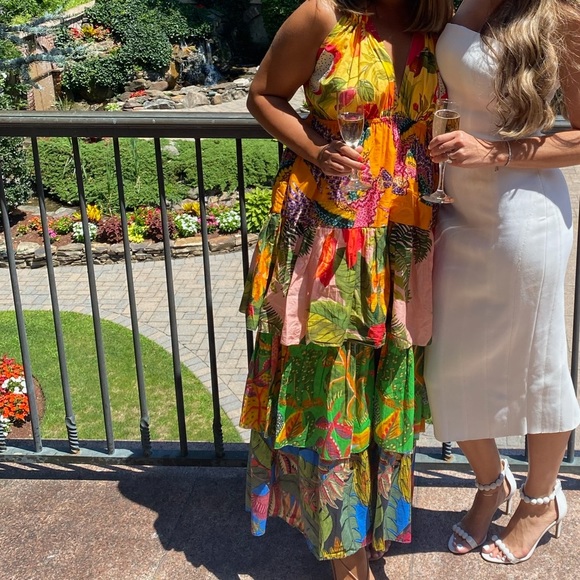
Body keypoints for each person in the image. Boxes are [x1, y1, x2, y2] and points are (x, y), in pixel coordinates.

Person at [238, 0, 453, 577]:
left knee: (384, 383)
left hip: (404, 234)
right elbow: (263, 95)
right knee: (335, 386)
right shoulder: (322, 15)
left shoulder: (437, 22)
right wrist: (314, 149)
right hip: (332, 234)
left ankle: (368, 525)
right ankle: (346, 553)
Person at [425, 0, 580, 565]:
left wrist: (494, 150)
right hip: (455, 211)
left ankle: (540, 501)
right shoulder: (461, 4)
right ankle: (492, 484)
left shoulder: (562, 15)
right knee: (445, 367)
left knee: (538, 365)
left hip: (524, 215)